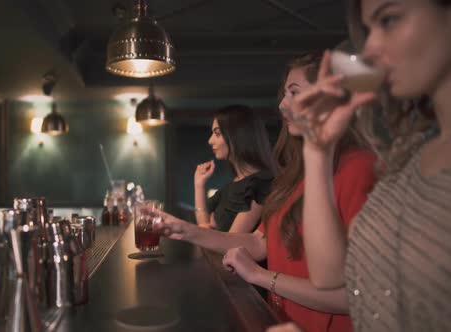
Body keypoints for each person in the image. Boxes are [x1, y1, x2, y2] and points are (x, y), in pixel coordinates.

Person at [156, 53, 377, 332]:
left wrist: (261, 276)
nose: (283, 104)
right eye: (284, 94)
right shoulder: (298, 172)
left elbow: (351, 297)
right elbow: (259, 242)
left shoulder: (360, 167)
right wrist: (185, 230)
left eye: (294, 93)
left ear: (332, 96)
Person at [290, 0, 451, 331]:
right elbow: (330, 276)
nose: (371, 47)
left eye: (389, 20)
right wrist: (317, 151)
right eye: (369, 30)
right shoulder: (410, 154)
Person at [194, 105, 276, 233]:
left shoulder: (261, 184)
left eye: (217, 133)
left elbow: (230, 242)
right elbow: (204, 225)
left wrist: (194, 231)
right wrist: (199, 184)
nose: (210, 140)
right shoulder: (231, 187)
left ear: (238, 135)